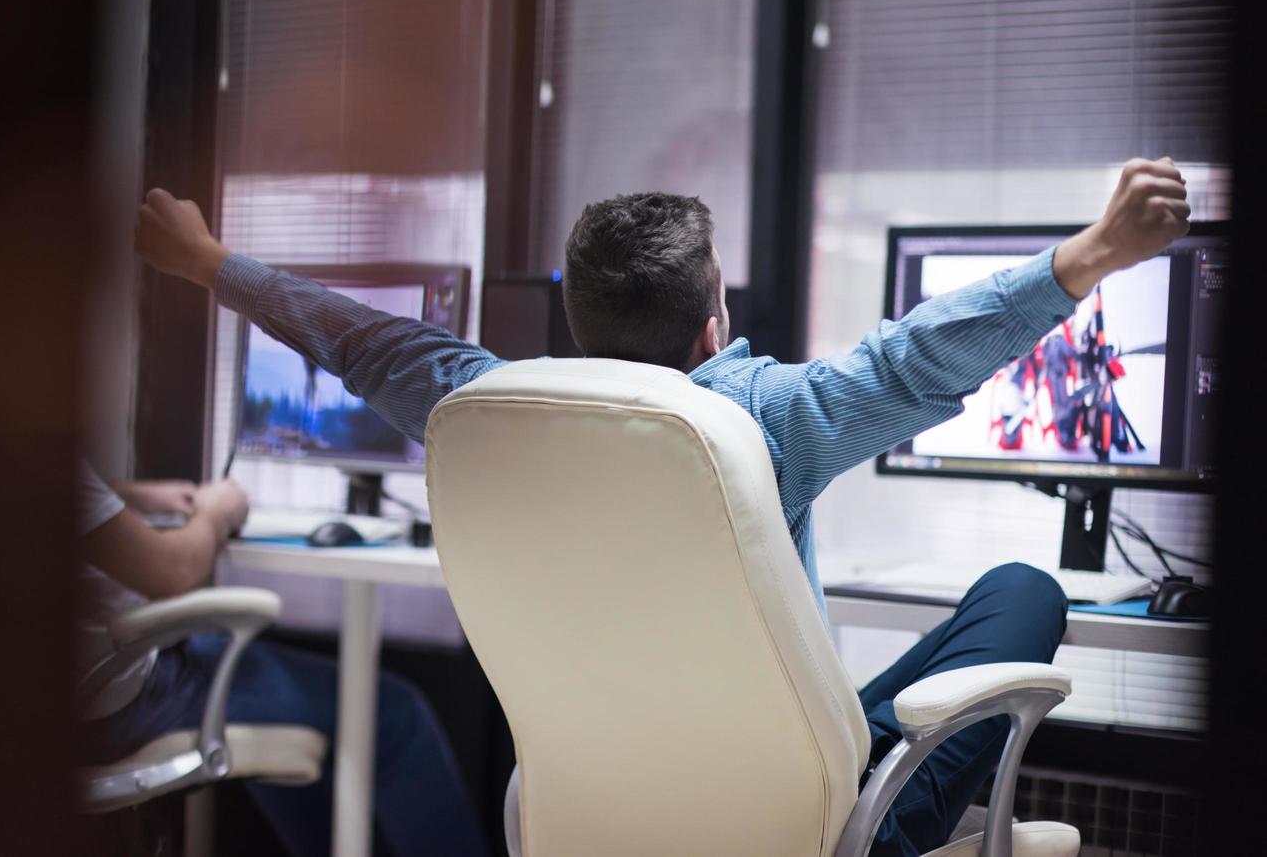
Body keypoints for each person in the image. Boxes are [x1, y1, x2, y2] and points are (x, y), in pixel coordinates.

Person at [134, 157, 1189, 856]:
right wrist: (1089, 255)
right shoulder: (763, 415)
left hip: (592, 794)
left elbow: (346, 333)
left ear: (571, 314)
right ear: (712, 315)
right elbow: (914, 358)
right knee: (1019, 590)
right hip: (786, 799)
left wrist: (204, 260)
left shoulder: (487, 403)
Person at [75, 464, 487, 857]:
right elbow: (174, 570)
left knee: (294, 728)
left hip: (82, 700)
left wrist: (131, 494)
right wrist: (216, 512)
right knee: (396, 716)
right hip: (128, 700)